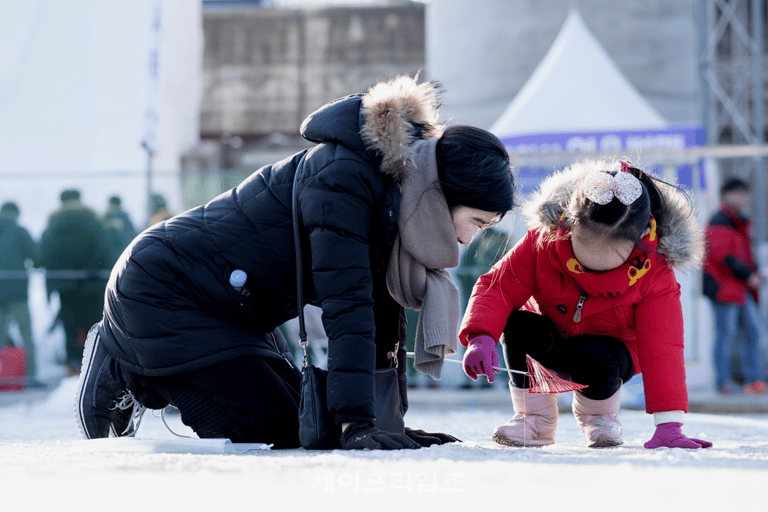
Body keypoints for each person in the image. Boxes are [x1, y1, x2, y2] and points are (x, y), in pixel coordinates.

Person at [75, 76, 515, 449]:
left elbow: (383, 317)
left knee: (307, 424)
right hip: (165, 290)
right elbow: (349, 305)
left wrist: (382, 423)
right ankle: (125, 363)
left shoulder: (398, 198)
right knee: (276, 425)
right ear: (442, 192)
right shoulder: (345, 177)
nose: (466, 239)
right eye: (475, 221)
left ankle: (145, 363)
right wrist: (356, 425)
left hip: (235, 307)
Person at [460, 160, 713, 450]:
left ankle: (600, 419)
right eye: (583, 249)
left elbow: (663, 346)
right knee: (517, 324)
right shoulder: (541, 243)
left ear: (642, 239)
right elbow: (498, 287)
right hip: (554, 339)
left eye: (608, 258)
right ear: (567, 223)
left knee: (593, 352)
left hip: (609, 354)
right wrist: (480, 335)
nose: (590, 269)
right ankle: (534, 418)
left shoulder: (655, 273)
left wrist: (669, 424)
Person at [702, 178, 767, 394]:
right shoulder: (719, 220)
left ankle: (754, 380)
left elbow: (745, 253)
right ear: (725, 195)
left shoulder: (740, 220)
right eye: (736, 193)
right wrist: (749, 275)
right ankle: (723, 382)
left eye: (744, 193)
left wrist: (753, 273)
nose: (741, 198)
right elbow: (724, 256)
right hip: (724, 288)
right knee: (725, 335)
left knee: (753, 332)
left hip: (740, 287)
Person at [39, 190, 114, 375]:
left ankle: (73, 363)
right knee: (93, 324)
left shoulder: (53, 224)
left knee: (70, 325)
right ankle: (95, 364)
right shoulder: (94, 221)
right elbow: (106, 252)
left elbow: (42, 256)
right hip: (93, 284)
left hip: (67, 286)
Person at [455, 226, 510, 389]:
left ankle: (504, 376)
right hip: (475, 299)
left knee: (500, 338)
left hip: (497, 299)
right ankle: (473, 378)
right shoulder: (474, 243)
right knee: (472, 337)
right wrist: (472, 274)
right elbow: (461, 270)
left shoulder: (503, 240)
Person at [0, 201, 39, 385]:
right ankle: (30, 375)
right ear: (16, 213)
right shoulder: (20, 231)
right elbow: (36, 257)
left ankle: (3, 376)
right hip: (17, 293)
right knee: (26, 335)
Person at [103, 195, 138, 262]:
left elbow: (129, 235)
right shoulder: (107, 217)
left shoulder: (124, 217)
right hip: (110, 252)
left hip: (119, 251)